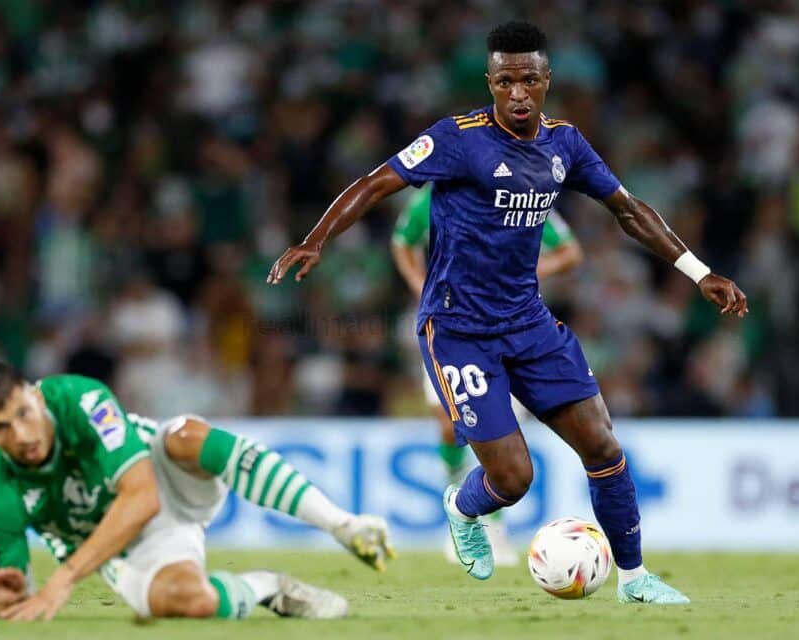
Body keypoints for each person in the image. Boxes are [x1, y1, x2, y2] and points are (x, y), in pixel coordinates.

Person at [267, 21, 748, 604]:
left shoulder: (565, 144)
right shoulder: (457, 139)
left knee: (603, 446)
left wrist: (699, 272)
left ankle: (635, 579)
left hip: (529, 323)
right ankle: (462, 506)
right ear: (490, 84)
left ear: (547, 81)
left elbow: (627, 210)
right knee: (514, 480)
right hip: (459, 331)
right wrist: (317, 237)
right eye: (504, 82)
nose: (517, 93)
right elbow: (374, 184)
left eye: (528, 80)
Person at [0, 362, 394, 621]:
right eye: (1, 428)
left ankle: (342, 525)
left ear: (36, 396)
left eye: (24, 414)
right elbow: (16, 594)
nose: (22, 434)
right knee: (191, 601)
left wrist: (66, 576)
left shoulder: (80, 399)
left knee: (186, 435)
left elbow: (143, 495)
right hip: (117, 546)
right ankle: (267, 588)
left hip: (162, 475)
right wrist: (11, 589)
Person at [391, 182, 583, 565]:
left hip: (511, 328)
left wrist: (523, 270)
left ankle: (492, 526)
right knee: (449, 425)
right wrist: (419, 286)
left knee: (497, 430)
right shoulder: (433, 194)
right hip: (449, 326)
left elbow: (570, 252)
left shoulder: (521, 195)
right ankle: (458, 508)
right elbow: (402, 242)